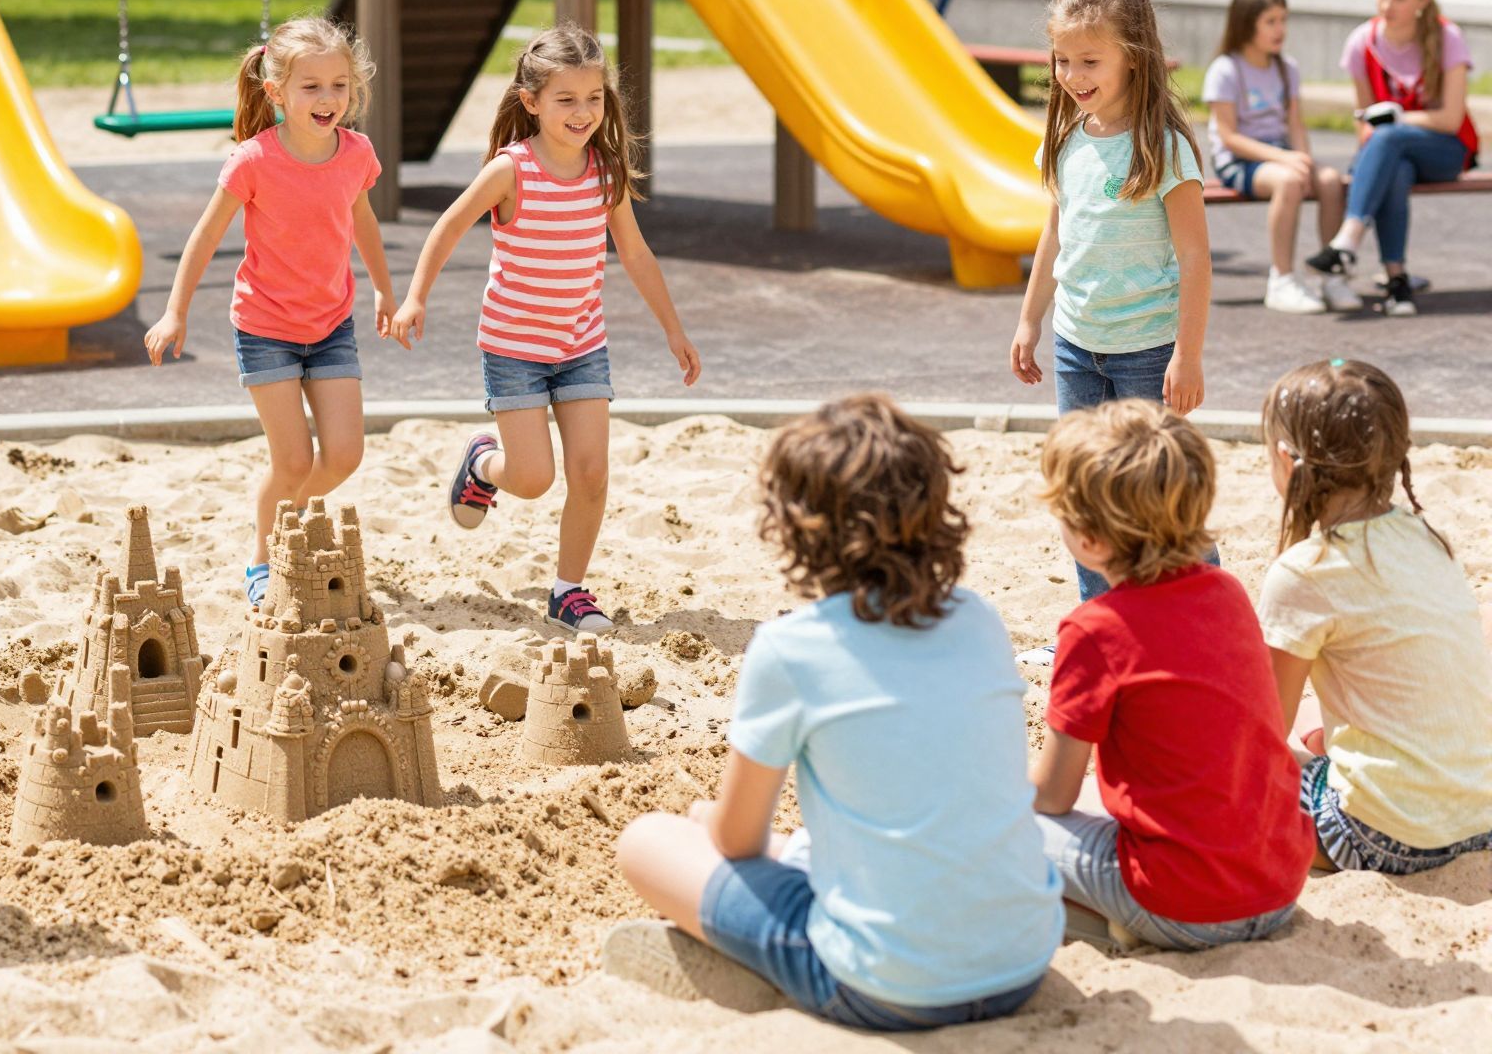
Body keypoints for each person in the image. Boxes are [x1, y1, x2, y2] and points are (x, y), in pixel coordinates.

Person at [612, 397, 1059, 1029]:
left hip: (888, 987)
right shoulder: (979, 619)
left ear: (798, 527)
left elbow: (736, 841)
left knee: (649, 841)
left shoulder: (791, 649)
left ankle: (753, 960)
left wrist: (709, 817)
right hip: (1022, 962)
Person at [391, 26, 699, 634]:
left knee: (590, 472)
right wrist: (415, 297)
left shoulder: (605, 171)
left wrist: (674, 329)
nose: (583, 112)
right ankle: (483, 464)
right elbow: (449, 227)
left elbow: (634, 253)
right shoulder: (513, 169)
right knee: (532, 479)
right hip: (515, 348)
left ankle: (568, 591)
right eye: (566, 100)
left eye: (594, 98)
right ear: (531, 102)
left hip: (582, 343)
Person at [1028, 400, 1312, 951]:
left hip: (1187, 906)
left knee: (1005, 825)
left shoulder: (1094, 631)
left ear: (1089, 539)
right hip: (1279, 886)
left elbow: (1052, 798)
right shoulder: (1226, 593)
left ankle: (1115, 923)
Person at [145, 18, 394, 607]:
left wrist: (386, 289)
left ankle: (286, 512)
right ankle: (263, 557)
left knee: (344, 455)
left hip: (332, 324)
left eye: (339, 85)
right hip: (266, 329)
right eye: (311, 87)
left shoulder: (356, 153)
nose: (328, 99)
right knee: (292, 459)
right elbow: (206, 236)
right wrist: (175, 311)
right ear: (277, 92)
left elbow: (363, 222)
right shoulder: (254, 160)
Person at [1009, 0, 1212, 624]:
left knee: (1159, 495)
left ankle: (1202, 616)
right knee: (1082, 494)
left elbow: (1195, 257)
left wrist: (1189, 354)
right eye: (1062, 59)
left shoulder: (1163, 147)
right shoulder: (1069, 137)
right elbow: (1055, 234)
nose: (1071, 74)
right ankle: (1105, 627)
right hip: (1077, 348)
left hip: (1146, 353)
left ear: (1134, 55)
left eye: (1089, 59)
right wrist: (1028, 321)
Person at [1259, 358, 1492, 874]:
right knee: (1318, 726)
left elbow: (1262, 731)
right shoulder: (1429, 539)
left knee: (1228, 760)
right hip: (1478, 817)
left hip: (1380, 836)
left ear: (1285, 459)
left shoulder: (1304, 573)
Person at [1306, 0, 1476, 318]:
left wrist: (1399, 118)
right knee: (1393, 166)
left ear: (1422, 1)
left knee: (1388, 138)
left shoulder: (1448, 37)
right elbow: (1364, 123)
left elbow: (1450, 119)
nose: (1387, 5)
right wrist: (1380, 140)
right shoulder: (1361, 42)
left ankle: (1348, 241)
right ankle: (1397, 282)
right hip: (1393, 154)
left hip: (1445, 151)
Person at [1202, 0, 1351, 314]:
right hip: (1240, 161)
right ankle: (1282, 279)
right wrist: (1286, 160)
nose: (1280, 29)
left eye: (1283, 20)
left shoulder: (1287, 68)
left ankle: (1331, 275)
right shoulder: (1225, 70)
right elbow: (1228, 137)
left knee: (1329, 181)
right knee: (1288, 180)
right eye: (1271, 21)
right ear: (1246, 23)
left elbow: (1295, 125)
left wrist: (1303, 159)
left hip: (1280, 155)